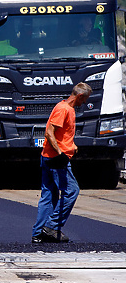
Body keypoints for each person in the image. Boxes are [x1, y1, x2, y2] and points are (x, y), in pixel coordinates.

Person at [31, 82, 92, 243]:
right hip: (56, 160)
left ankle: (38, 233)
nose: (84, 102)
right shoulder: (64, 109)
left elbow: (61, 134)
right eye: (84, 99)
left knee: (49, 195)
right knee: (72, 191)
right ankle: (51, 227)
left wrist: (72, 146)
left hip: (48, 157)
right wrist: (61, 154)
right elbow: (49, 132)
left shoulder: (65, 108)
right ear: (79, 96)